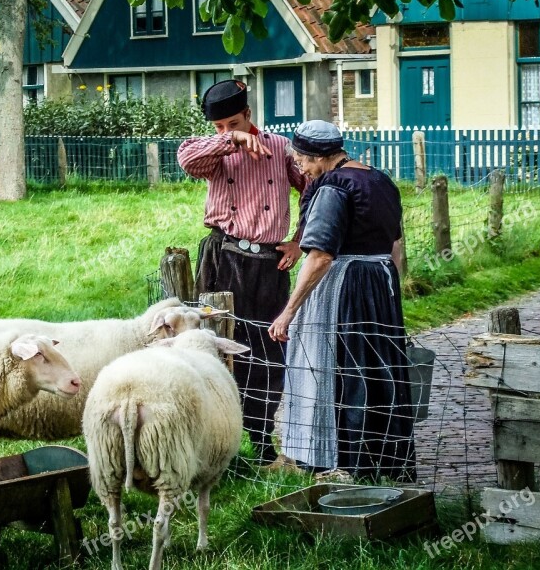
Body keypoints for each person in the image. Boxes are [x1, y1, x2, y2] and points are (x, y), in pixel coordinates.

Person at [268, 120, 416, 482]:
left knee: (340, 369)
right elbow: (395, 245)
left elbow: (320, 256)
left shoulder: (333, 187)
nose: (300, 168)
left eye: (301, 161)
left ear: (318, 157)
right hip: (381, 283)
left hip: (343, 288)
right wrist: (388, 292)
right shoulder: (381, 180)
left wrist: (289, 312)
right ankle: (383, 461)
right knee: (377, 370)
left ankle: (342, 463)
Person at [177, 79, 307, 465]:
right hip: (225, 257)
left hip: (270, 263)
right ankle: (218, 441)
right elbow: (187, 161)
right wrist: (228, 140)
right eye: (218, 126)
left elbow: (313, 189)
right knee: (219, 345)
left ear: (249, 114)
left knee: (268, 350)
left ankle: (263, 442)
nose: (225, 130)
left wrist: (299, 240)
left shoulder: (281, 149)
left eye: (233, 122)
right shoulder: (212, 151)